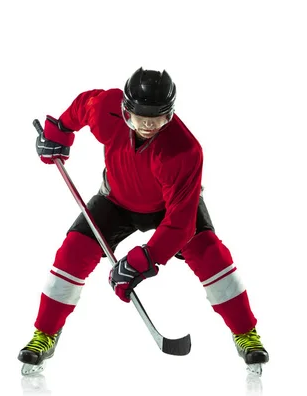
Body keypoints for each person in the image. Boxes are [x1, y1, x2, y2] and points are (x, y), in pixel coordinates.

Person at [18, 67, 269, 372]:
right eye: (141, 117)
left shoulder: (185, 151)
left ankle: (246, 334)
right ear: (125, 111)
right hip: (115, 200)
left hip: (171, 209)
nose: (149, 124)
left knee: (212, 257)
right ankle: (44, 334)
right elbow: (83, 105)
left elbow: (180, 223)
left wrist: (145, 259)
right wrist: (59, 131)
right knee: (72, 253)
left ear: (170, 114)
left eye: (158, 117)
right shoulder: (105, 111)